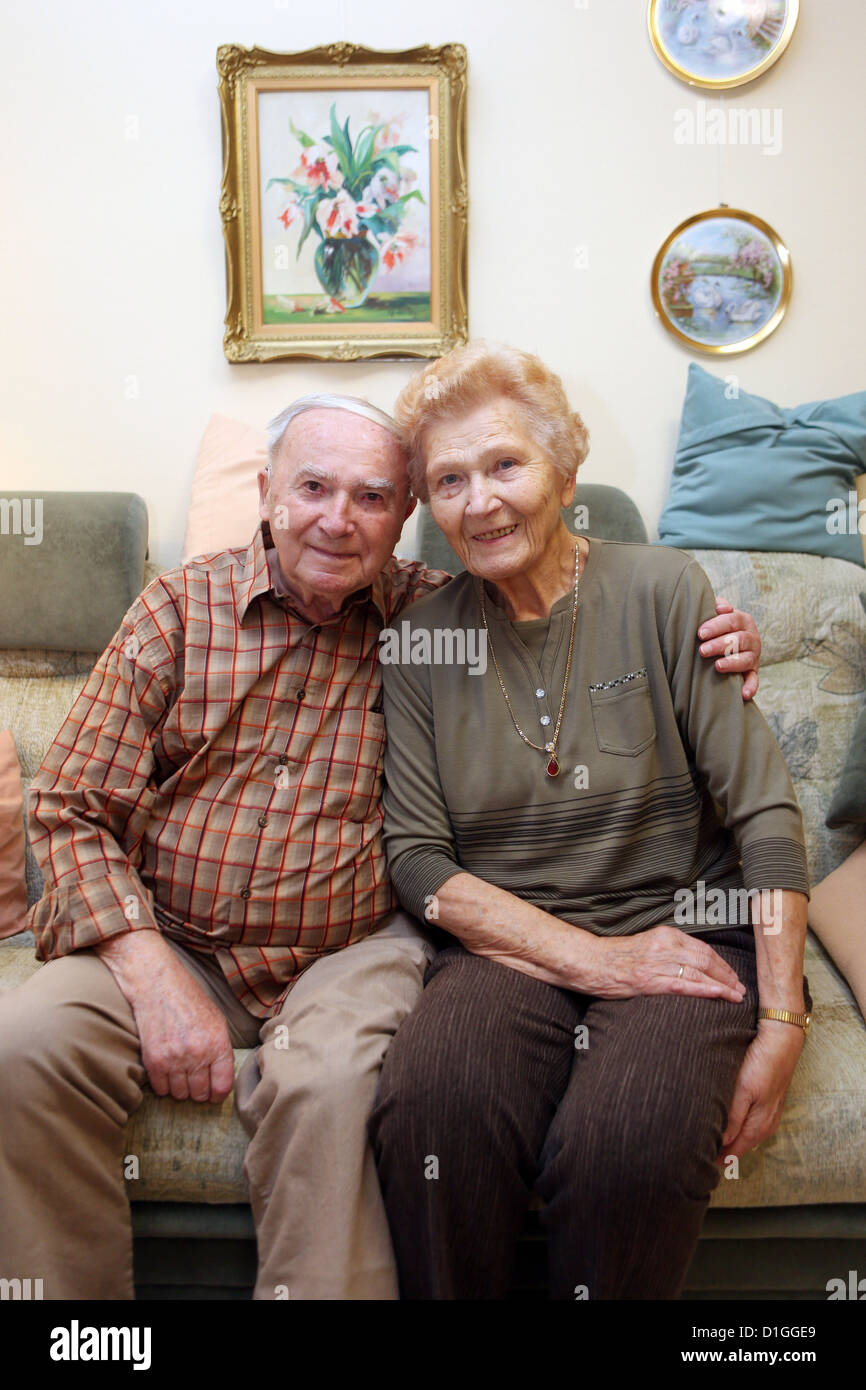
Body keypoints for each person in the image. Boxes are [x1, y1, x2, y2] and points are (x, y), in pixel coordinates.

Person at [0, 392, 762, 1302]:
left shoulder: (443, 621)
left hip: (349, 949)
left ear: (405, 516)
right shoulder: (177, 607)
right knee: (23, 1048)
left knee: (329, 1087)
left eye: (370, 497)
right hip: (165, 934)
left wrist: (714, 638)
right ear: (267, 492)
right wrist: (150, 972)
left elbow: (580, 630)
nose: (337, 519)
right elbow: (72, 807)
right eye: (313, 487)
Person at [367, 342, 812, 1301]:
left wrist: (782, 1021)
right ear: (428, 509)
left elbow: (767, 813)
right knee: (432, 1110)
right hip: (508, 948)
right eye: (448, 479)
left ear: (565, 472)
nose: (478, 501)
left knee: (631, 1144)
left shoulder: (662, 591)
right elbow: (417, 860)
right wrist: (594, 959)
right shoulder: (417, 641)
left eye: (504, 465)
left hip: (688, 932)